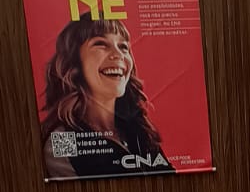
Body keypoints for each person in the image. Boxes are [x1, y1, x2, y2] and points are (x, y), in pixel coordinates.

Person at [42, 16, 173, 180]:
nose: (118, 54)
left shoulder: (139, 128)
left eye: (123, 47)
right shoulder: (62, 139)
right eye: (101, 44)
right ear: (74, 61)